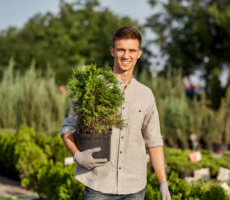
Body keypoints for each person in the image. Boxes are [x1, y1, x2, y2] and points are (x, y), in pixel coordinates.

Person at [61, 27, 171, 200]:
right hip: (98, 186)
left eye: (132, 51)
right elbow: (68, 127)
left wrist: (163, 182)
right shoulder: (92, 87)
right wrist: (77, 155)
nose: (126, 56)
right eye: (121, 50)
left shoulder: (146, 95)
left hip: (135, 188)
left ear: (139, 54)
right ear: (113, 51)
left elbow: (154, 141)